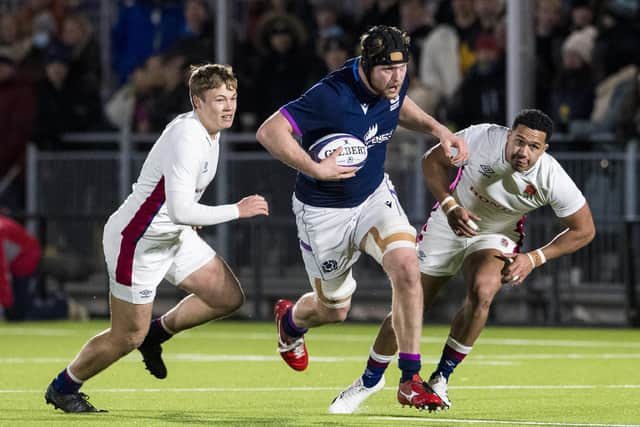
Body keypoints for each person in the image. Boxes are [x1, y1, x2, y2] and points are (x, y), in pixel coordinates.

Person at [255, 25, 469, 411]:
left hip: (373, 197)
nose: (397, 77)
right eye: (388, 70)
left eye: (402, 68)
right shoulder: (330, 95)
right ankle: (291, 323)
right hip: (323, 212)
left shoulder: (393, 82)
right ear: (367, 66)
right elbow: (270, 131)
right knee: (333, 309)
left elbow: (399, 105)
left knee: (407, 268)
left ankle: (409, 379)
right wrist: (314, 168)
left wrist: (438, 129)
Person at [329, 109, 596, 413]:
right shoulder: (482, 137)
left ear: (543, 150)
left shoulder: (551, 177)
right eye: (519, 141)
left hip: (497, 232)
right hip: (450, 221)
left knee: (483, 291)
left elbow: (584, 229)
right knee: (413, 302)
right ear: (508, 135)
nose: (523, 152)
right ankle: (369, 379)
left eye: (533, 147)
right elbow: (431, 161)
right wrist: (449, 204)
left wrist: (534, 259)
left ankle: (441, 377)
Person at [44, 63, 269, 413]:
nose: (229, 106)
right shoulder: (188, 136)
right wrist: (236, 210)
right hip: (137, 242)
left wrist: (188, 217)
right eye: (219, 99)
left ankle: (156, 334)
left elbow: (178, 205)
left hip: (172, 234)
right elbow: (180, 210)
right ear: (197, 101)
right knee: (125, 338)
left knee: (226, 296)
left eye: (233, 98)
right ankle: (64, 387)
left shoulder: (212, 130)